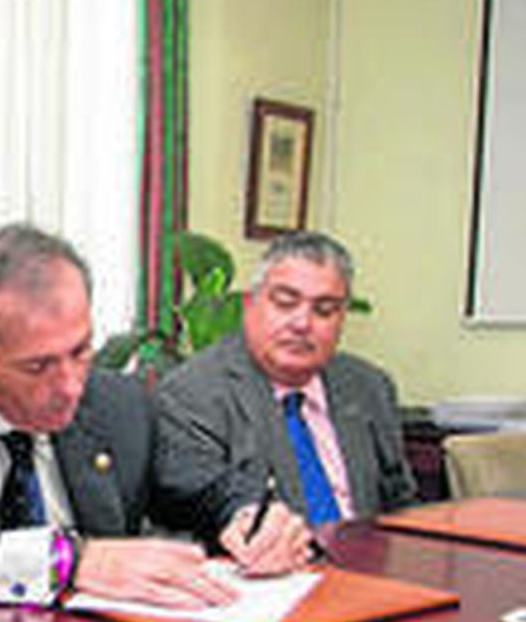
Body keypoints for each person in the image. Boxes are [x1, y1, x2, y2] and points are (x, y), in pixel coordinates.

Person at [0, 223, 310, 611]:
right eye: (38, 366)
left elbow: (208, 487)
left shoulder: (118, 402)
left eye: (80, 350)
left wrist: (253, 517)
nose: (72, 385)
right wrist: (65, 562)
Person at [154, 230, 416, 557]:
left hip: (367, 573)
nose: (302, 323)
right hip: (267, 581)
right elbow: (203, 498)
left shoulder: (369, 387)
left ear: (342, 318)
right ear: (250, 306)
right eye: (285, 303)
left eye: (324, 310)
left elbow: (400, 505)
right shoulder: (193, 393)